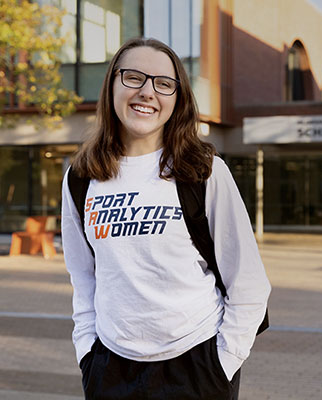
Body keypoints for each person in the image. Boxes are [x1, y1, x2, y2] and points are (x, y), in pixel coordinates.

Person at [61, 37, 271, 400]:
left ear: (178, 98)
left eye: (163, 83)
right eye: (133, 78)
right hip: (110, 367)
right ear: (112, 84)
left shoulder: (204, 171)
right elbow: (83, 276)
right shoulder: (81, 177)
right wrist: (87, 354)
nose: (147, 92)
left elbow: (248, 282)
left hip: (195, 365)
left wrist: (223, 363)